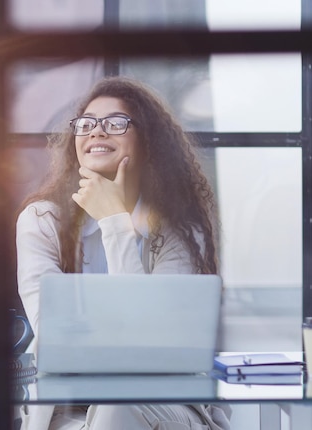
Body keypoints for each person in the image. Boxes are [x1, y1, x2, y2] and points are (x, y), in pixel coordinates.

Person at [15, 76, 231, 430]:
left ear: (148, 141)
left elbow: (152, 347)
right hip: (68, 410)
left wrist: (115, 221)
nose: (97, 132)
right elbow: (54, 335)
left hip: (166, 404)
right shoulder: (41, 220)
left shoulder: (181, 230)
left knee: (117, 406)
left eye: (116, 123)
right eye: (86, 124)